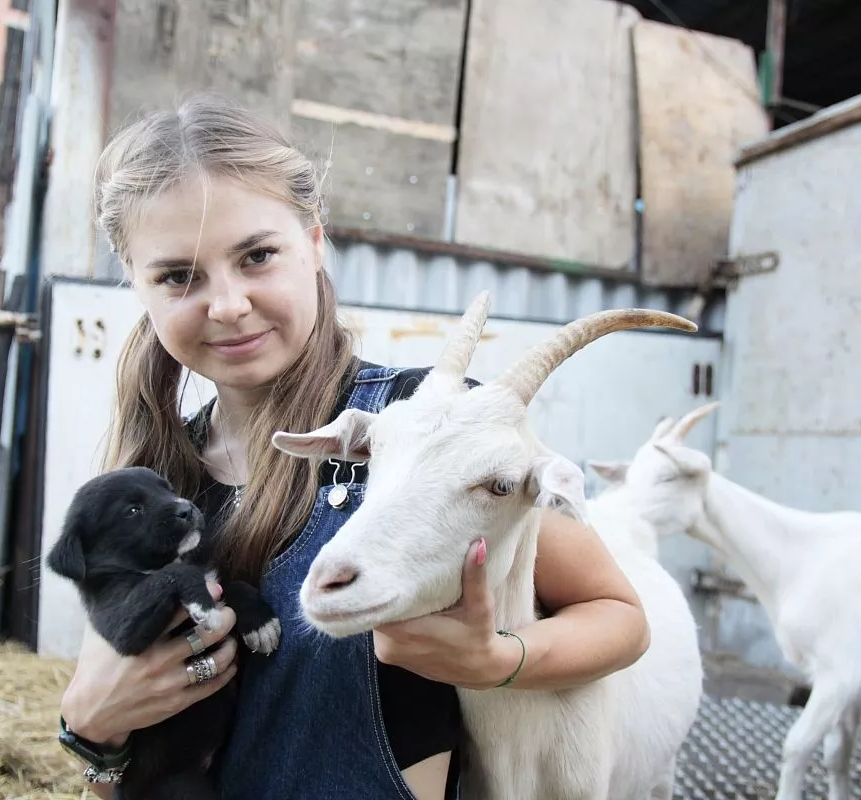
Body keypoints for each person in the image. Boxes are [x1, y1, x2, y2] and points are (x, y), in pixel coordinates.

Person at [56, 93, 652, 800]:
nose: (226, 304)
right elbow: (131, 764)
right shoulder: (152, 488)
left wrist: (496, 659)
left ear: (313, 241)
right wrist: (92, 729)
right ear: (135, 280)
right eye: (178, 276)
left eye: (257, 256)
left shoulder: (425, 428)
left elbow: (621, 618)